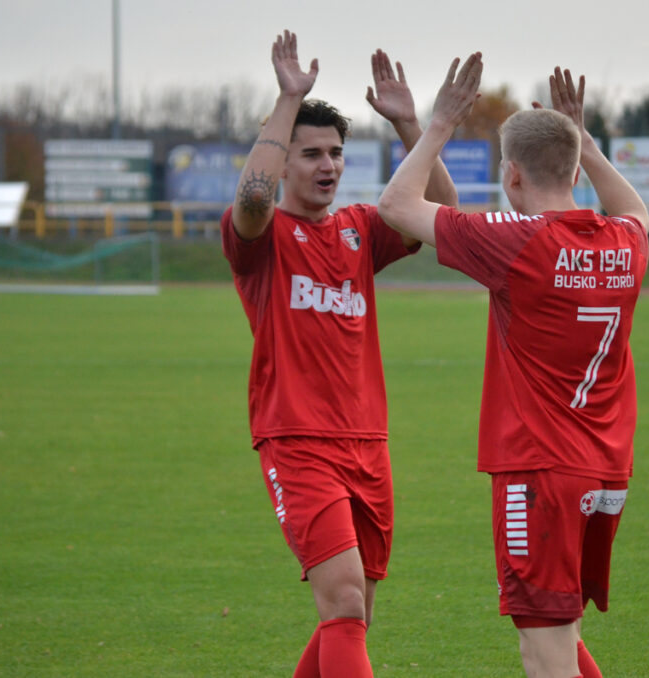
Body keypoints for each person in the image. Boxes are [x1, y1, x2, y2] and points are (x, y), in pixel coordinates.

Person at [378, 57, 649, 678]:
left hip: (539, 472)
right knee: (564, 634)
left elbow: (396, 204)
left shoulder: (516, 240)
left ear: (512, 174)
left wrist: (440, 124)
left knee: (544, 648)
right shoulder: (625, 242)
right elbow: (636, 209)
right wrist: (584, 141)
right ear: (576, 170)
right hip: (605, 470)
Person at [221, 30, 457, 677]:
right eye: (311, 154)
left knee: (353, 614)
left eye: (336, 153)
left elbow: (441, 209)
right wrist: (287, 101)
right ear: (283, 161)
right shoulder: (262, 238)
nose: (328, 165)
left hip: (368, 442)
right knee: (346, 602)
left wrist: (409, 124)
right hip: (297, 440)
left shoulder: (359, 229)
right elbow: (252, 198)